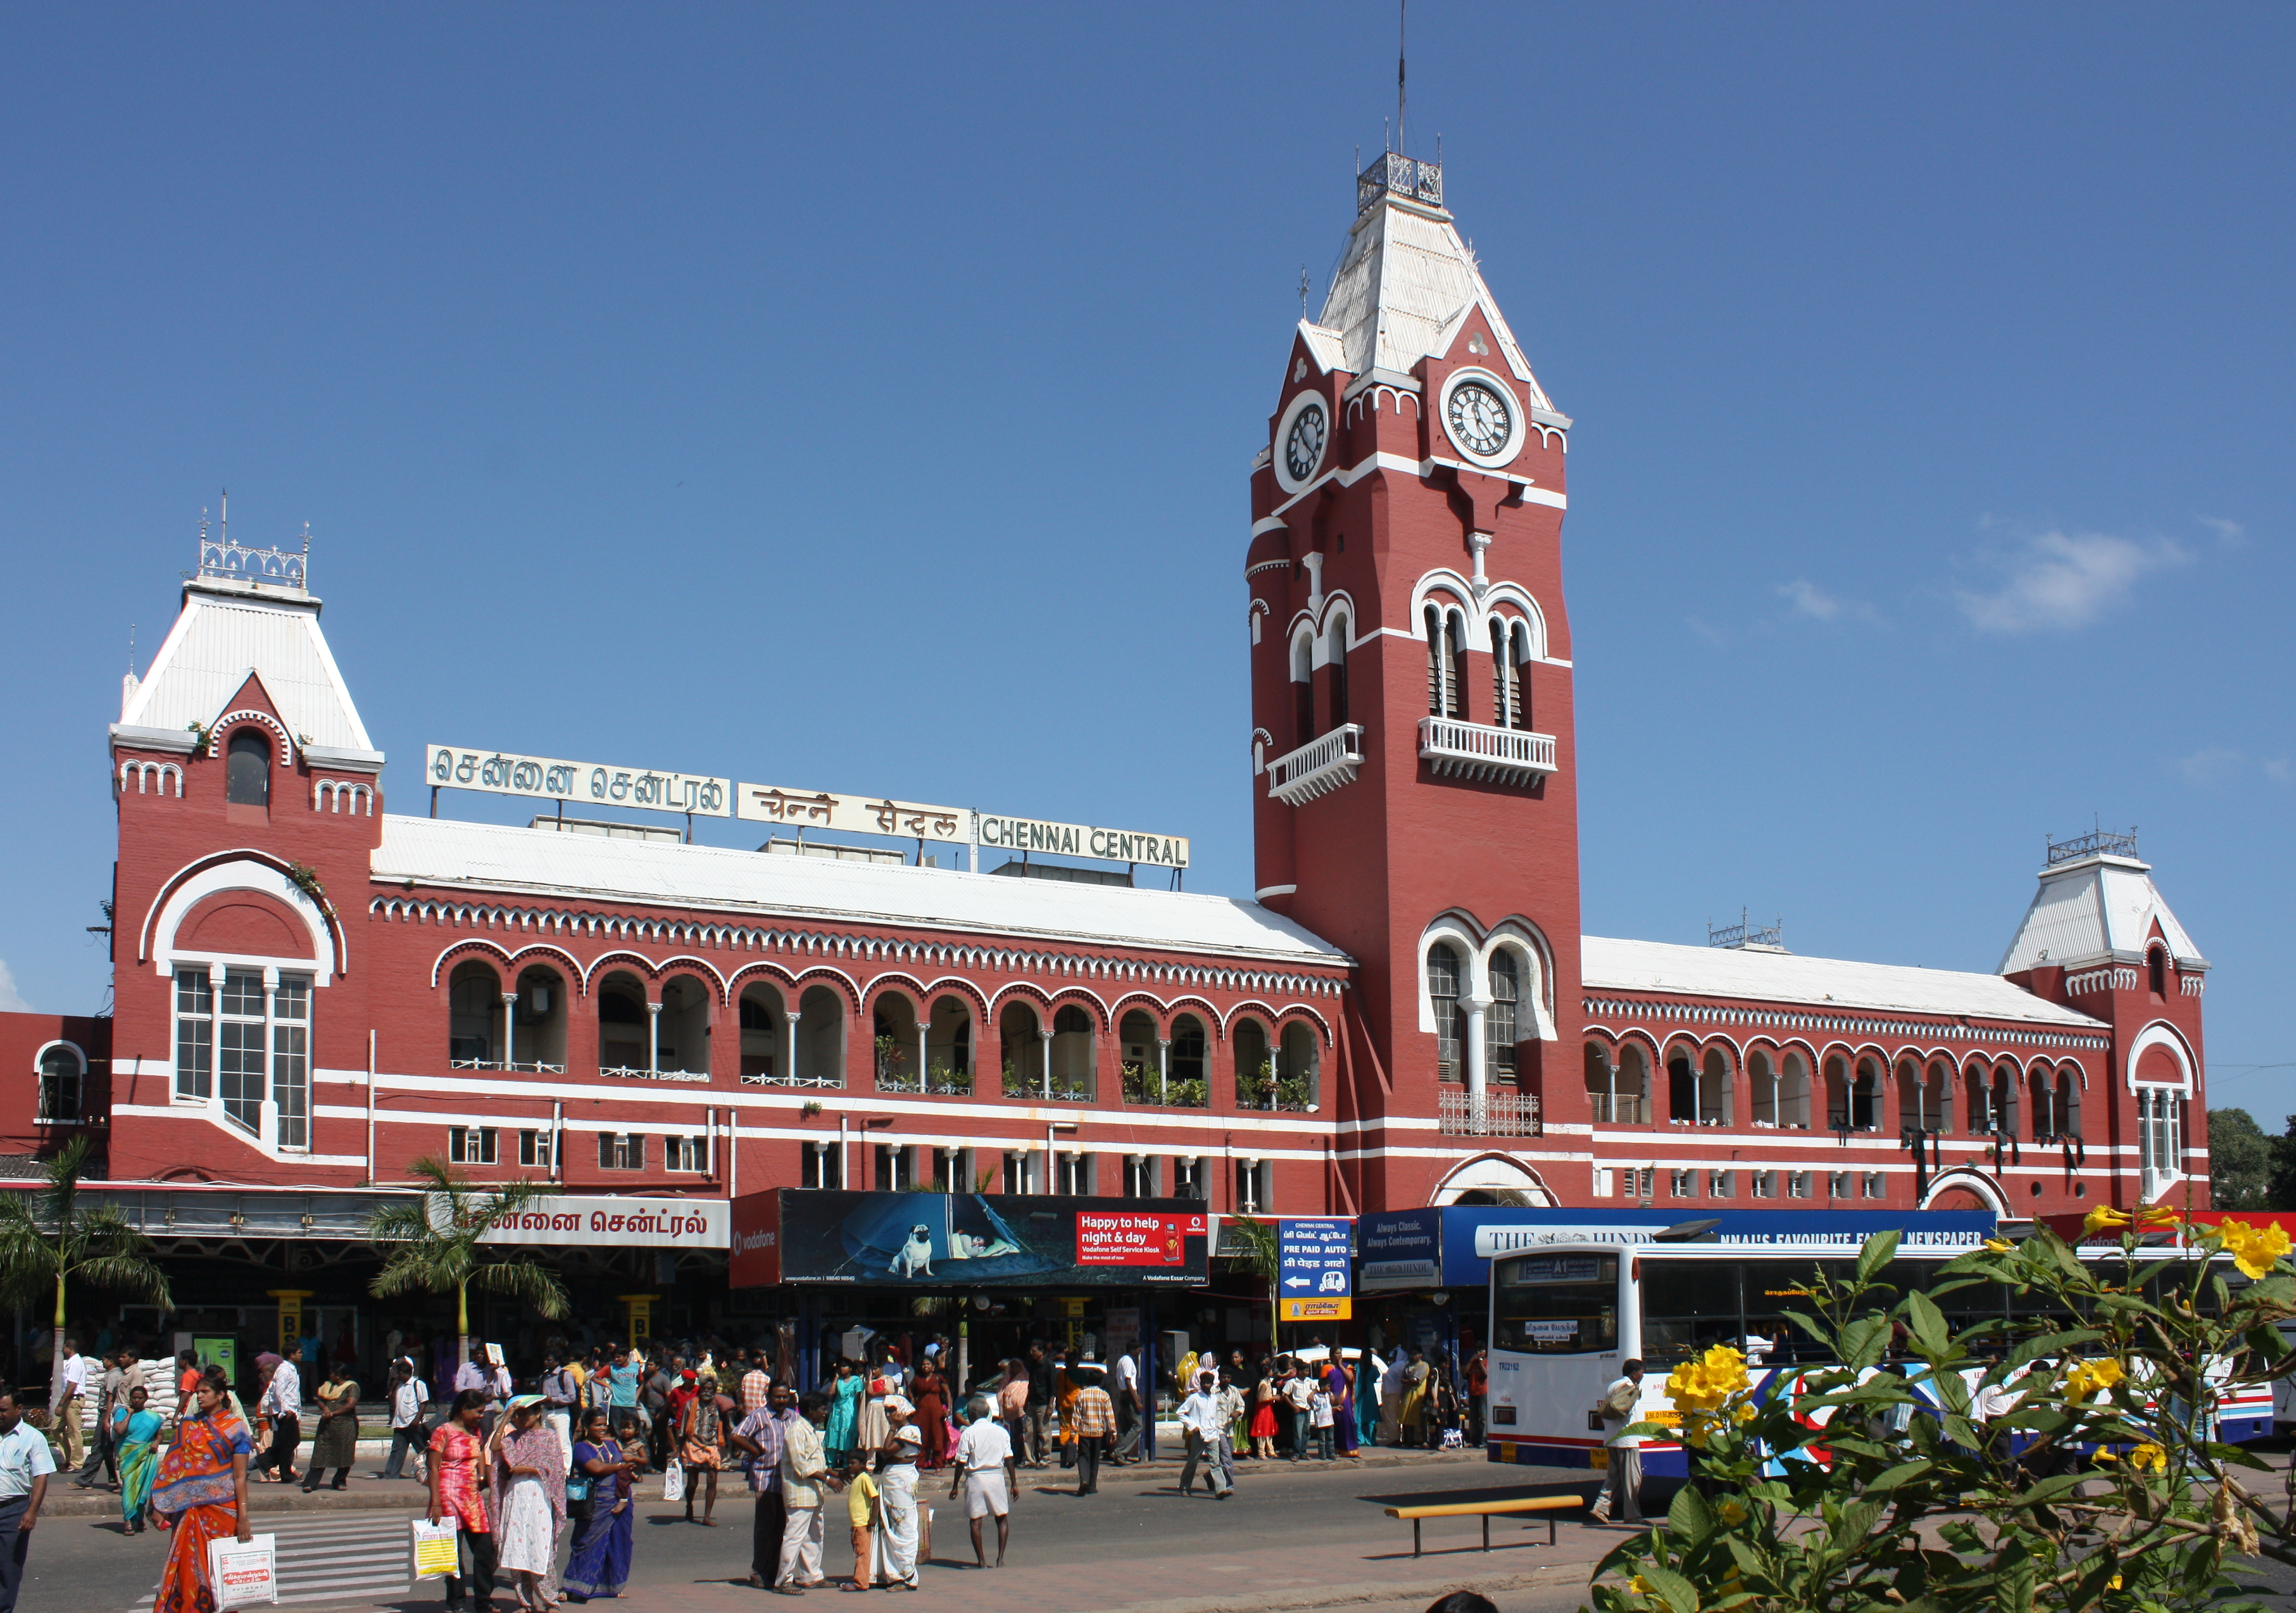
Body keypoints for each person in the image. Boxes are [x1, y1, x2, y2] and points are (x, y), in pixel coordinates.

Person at [151, 1367, 253, 1613]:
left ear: (221, 1395)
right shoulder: (188, 1426)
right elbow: (171, 1468)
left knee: (220, 1571)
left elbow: (239, 1476)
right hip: (189, 1510)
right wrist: (160, 1506)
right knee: (188, 1568)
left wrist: (243, 1517)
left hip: (222, 1511)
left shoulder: (235, 1428)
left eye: (205, 1392)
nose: (200, 1396)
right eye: (198, 1393)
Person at [489, 1396, 566, 1613]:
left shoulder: (549, 1437)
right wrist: (505, 1418)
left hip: (540, 1495)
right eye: (518, 1414)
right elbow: (495, 1446)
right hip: (516, 1495)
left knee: (540, 1549)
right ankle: (525, 1602)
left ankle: (550, 1601)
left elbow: (557, 1471)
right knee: (517, 1548)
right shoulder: (513, 1438)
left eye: (526, 1413)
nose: (522, 1419)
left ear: (539, 1413)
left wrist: (533, 1470)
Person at [430, 1388, 498, 1613]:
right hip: (447, 1496)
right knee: (453, 1554)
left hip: (472, 1497)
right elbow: (433, 1467)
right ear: (464, 1409)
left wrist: (481, 1477)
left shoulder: (475, 1431)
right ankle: (457, 1602)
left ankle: (483, 1600)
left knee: (485, 1551)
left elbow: (478, 1455)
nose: (481, 1416)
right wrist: (436, 1503)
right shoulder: (443, 1431)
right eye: (478, 1412)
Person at [563, 1410, 640, 1602]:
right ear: (587, 1427)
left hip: (619, 1501)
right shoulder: (582, 1448)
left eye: (604, 1424)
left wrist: (625, 1471)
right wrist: (620, 1467)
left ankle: (611, 1586)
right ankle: (574, 1586)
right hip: (596, 1504)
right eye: (597, 1425)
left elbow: (624, 1464)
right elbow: (596, 1468)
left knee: (617, 1544)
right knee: (586, 1543)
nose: (602, 1428)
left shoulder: (611, 1445)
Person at [728, 1383, 794, 1591]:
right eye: (777, 1397)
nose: (781, 1401)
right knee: (765, 1529)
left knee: (781, 1528)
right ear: (768, 1396)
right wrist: (755, 1451)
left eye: (785, 1397)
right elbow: (737, 1435)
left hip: (787, 1480)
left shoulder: (793, 1417)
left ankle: (774, 1572)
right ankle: (758, 1572)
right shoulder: (759, 1416)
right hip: (765, 1479)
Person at [775, 1390, 839, 1595]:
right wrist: (828, 1479)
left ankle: (812, 1576)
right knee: (794, 1537)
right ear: (810, 1410)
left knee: (814, 1536)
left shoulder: (810, 1430)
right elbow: (801, 1466)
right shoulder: (796, 1431)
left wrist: (834, 1473)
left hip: (814, 1494)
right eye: (822, 1410)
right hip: (800, 1494)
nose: (825, 1414)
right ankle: (783, 1580)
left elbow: (818, 1462)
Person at [0, 1390, 53, 1613]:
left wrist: (32, 1511)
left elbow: (41, 1475)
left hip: (14, 1511)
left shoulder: (32, 1437)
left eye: (3, 1410)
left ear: (19, 1409)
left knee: (7, 1568)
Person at [948, 1395, 1014, 1567]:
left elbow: (961, 1461)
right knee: (1001, 1517)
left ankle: (982, 1561)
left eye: (969, 1413)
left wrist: (955, 1486)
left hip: (976, 1479)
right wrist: (1014, 1483)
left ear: (975, 1414)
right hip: (996, 1477)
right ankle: (1000, 1558)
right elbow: (1009, 1458)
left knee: (976, 1520)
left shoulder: (968, 1433)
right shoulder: (1001, 1431)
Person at [1590, 1359, 1646, 1526]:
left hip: (1612, 1438)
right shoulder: (1631, 1388)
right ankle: (1632, 1515)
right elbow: (1627, 1411)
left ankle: (1600, 1508)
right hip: (1627, 1440)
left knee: (1614, 1477)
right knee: (1632, 1480)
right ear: (1634, 1373)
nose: (1642, 1376)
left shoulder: (1613, 1385)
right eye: (1642, 1372)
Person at [874, 1409, 922, 1592]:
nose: (888, 1415)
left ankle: (907, 1575)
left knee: (903, 1527)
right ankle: (895, 1573)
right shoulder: (903, 1432)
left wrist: (893, 1428)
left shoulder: (911, 1431)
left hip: (901, 1480)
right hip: (894, 1480)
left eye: (892, 1412)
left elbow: (886, 1452)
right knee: (891, 1527)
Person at [114, 1386, 165, 1533]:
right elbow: (120, 1430)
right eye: (134, 1398)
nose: (136, 1401)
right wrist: (129, 1414)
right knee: (129, 1487)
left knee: (143, 1488)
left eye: (140, 1398)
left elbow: (160, 1435)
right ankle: (128, 1520)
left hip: (145, 1456)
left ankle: (139, 1519)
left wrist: (155, 1443)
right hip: (128, 1457)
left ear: (145, 1399)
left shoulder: (153, 1417)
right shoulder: (122, 1412)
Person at [73, 1349, 125, 1490]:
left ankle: (85, 1479)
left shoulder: (112, 1377)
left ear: (110, 1361)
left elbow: (111, 1399)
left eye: (104, 1360)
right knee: (107, 1448)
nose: (103, 1363)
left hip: (106, 1413)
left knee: (99, 1447)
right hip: (107, 1413)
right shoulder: (113, 1375)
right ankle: (113, 1477)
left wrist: (106, 1419)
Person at [304, 1360, 359, 1491]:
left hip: (345, 1426)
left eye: (331, 1374)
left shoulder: (352, 1387)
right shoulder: (327, 1386)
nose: (329, 1376)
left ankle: (339, 1481)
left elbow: (350, 1405)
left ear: (338, 1375)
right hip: (327, 1426)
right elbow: (318, 1399)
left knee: (344, 1454)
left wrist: (333, 1413)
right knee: (320, 1454)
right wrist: (325, 1410)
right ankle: (310, 1483)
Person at [1177, 1371, 1231, 1499]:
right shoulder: (1194, 1398)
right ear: (1200, 1384)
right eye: (1204, 1383)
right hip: (1199, 1435)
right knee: (1193, 1462)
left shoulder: (1214, 1399)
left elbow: (1214, 1417)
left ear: (1212, 1384)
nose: (1206, 1385)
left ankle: (1220, 1490)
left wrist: (1218, 1431)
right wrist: (1193, 1426)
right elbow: (1180, 1413)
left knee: (1215, 1463)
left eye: (1209, 1383)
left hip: (1212, 1434)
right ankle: (1184, 1487)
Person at [680, 1374, 724, 1526]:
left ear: (714, 1390)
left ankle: (706, 1517)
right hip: (693, 1446)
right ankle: (689, 1506)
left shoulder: (718, 1406)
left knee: (712, 1480)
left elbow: (726, 1423)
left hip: (711, 1447)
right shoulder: (691, 1405)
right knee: (692, 1483)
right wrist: (677, 1451)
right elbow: (683, 1431)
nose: (707, 1392)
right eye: (704, 1389)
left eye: (710, 1389)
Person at [257, 1345, 303, 1483]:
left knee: (288, 1442)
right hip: (285, 1412)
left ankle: (268, 1463)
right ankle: (271, 1465)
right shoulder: (284, 1370)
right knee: (290, 1441)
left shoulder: (292, 1370)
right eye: (299, 1353)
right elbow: (279, 1391)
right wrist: (285, 1410)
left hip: (292, 1411)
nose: (301, 1355)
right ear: (292, 1355)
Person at [1065, 1369, 1115, 1496]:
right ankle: (1092, 1486)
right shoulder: (1105, 1395)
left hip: (1084, 1432)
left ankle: (1083, 1481)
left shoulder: (1081, 1395)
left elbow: (1076, 1415)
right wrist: (1113, 1432)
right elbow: (1109, 1416)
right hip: (1098, 1432)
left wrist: (1073, 1432)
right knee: (1095, 1458)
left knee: (1083, 1456)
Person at [386, 1359, 432, 1483]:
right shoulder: (399, 1386)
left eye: (399, 1374)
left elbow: (424, 1403)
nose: (398, 1376)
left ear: (406, 1373)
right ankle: (390, 1475)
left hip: (413, 1424)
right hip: (400, 1423)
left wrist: (417, 1419)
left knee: (422, 1449)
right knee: (397, 1450)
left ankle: (432, 1471)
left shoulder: (418, 1384)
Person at [842, 1455, 879, 1590]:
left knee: (862, 1554)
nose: (850, 1466)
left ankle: (861, 1582)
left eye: (853, 1463)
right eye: (848, 1463)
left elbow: (875, 1497)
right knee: (859, 1552)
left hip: (862, 1524)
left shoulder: (864, 1478)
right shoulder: (857, 1478)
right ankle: (861, 1579)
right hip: (857, 1524)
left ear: (863, 1464)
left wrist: (873, 1518)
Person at [51, 1338, 87, 1479]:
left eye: (64, 1348)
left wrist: (61, 1403)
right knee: (56, 1428)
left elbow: (72, 1385)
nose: (63, 1351)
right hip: (69, 1400)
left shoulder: (76, 1363)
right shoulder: (71, 1363)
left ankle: (76, 1463)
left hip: (73, 1400)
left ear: (70, 1349)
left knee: (74, 1431)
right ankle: (68, 1457)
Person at [910, 1353, 948, 1471]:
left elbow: (948, 1393)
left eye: (928, 1364)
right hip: (921, 1411)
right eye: (923, 1364)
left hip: (936, 1411)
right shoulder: (917, 1379)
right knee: (921, 1437)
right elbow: (910, 1389)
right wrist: (912, 1400)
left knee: (937, 1436)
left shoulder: (939, 1378)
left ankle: (938, 1466)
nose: (925, 1366)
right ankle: (920, 1465)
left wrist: (949, 1409)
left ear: (933, 1366)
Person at [540, 1355, 579, 1466]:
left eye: (549, 1360)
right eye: (545, 1360)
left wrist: (552, 1399)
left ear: (557, 1361)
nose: (546, 1362)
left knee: (563, 1443)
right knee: (547, 1442)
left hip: (560, 1412)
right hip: (546, 1412)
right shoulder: (544, 1376)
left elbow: (572, 1396)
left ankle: (565, 1472)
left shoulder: (565, 1375)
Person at [822, 1360, 860, 1467]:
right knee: (833, 1435)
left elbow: (858, 1398)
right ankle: (830, 1463)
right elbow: (831, 1392)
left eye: (844, 1366)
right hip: (837, 1411)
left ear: (851, 1368)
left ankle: (847, 1463)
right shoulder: (839, 1381)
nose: (842, 1368)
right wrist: (836, 1378)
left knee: (847, 1436)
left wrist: (860, 1414)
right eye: (840, 1367)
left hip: (850, 1411)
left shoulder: (856, 1381)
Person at [1022, 1345, 1053, 1468]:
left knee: (1044, 1432)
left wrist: (1050, 1405)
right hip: (1032, 1403)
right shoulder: (1033, 1365)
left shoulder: (1049, 1365)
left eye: (1034, 1351)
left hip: (1044, 1403)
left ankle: (1045, 1460)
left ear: (1042, 1351)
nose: (1031, 1353)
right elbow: (1031, 1385)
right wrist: (1026, 1401)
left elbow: (1053, 1388)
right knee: (1029, 1432)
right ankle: (1030, 1460)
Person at [1112, 1344, 1143, 1464]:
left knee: (1125, 1427)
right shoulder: (1129, 1361)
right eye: (1138, 1350)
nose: (1139, 1353)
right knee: (1138, 1425)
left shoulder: (1121, 1361)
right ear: (1132, 1349)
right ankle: (1119, 1451)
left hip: (1124, 1395)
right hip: (1129, 1396)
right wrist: (1136, 1400)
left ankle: (1120, 1457)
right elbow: (1128, 1381)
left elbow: (1117, 1380)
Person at [1327, 1353, 1359, 1459]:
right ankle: (1336, 1449)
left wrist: (1341, 1366)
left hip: (1345, 1398)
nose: (1338, 1355)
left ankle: (1351, 1449)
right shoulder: (1327, 1367)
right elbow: (1323, 1383)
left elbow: (1350, 1378)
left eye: (1340, 1353)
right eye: (1336, 1353)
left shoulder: (1346, 1366)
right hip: (1332, 1399)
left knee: (1348, 1421)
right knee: (1335, 1425)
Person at [1283, 1359, 1316, 1461]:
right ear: (1300, 1371)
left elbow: (1316, 1389)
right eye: (1306, 1371)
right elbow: (1285, 1395)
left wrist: (1312, 1394)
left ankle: (1303, 1452)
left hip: (1307, 1408)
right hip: (1299, 1409)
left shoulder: (1309, 1381)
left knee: (1306, 1431)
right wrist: (1293, 1406)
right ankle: (1296, 1452)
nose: (1308, 1373)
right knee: (1298, 1432)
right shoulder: (1292, 1382)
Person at [1248, 1364, 1279, 1460]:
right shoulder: (1264, 1384)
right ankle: (1261, 1452)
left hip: (1268, 1408)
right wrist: (1273, 1398)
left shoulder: (1268, 1382)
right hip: (1263, 1409)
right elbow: (1260, 1399)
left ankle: (1270, 1450)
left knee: (1269, 1430)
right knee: (1262, 1430)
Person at [1311, 1376, 1337, 1460]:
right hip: (1321, 1421)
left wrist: (1331, 1394)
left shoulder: (1328, 1395)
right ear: (1322, 1387)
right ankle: (1322, 1454)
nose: (1330, 1388)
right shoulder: (1316, 1397)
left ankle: (1331, 1453)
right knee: (1322, 1439)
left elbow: (1332, 1403)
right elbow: (1314, 1407)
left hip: (1330, 1421)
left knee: (1330, 1438)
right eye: (1328, 1386)